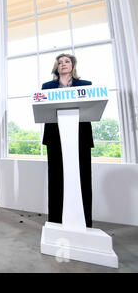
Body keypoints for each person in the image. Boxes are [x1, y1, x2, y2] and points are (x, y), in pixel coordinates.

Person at [41, 53, 93, 228]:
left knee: (83, 178)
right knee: (55, 179)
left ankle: (84, 221)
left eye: (67, 61)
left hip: (80, 138)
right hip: (55, 138)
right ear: (56, 67)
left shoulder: (86, 86)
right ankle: (55, 220)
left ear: (73, 65)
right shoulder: (47, 87)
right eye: (60, 62)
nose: (63, 64)